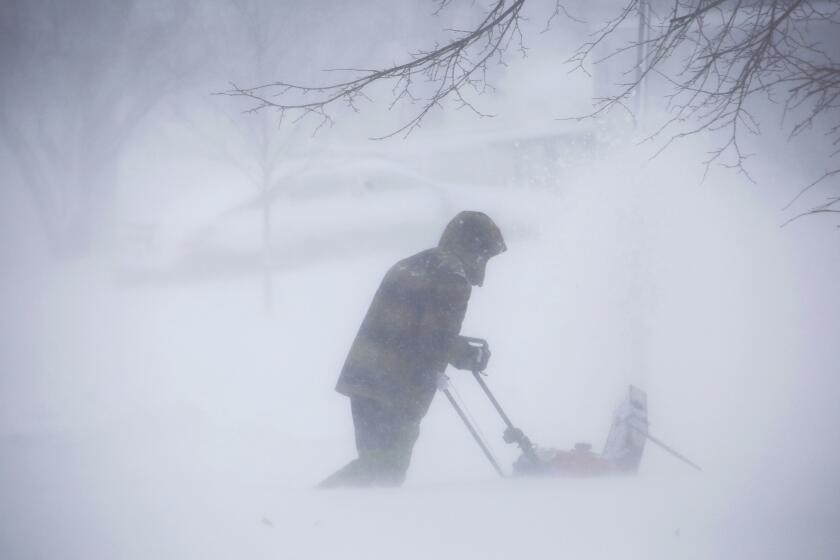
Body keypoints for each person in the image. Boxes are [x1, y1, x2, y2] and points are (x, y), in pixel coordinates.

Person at [319, 211, 507, 488]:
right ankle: (315, 507)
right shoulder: (452, 276)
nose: (484, 263)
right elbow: (434, 339)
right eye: (485, 254)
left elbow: (414, 327)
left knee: (374, 465)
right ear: (475, 248)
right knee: (385, 471)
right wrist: (468, 355)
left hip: (364, 377)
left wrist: (454, 348)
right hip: (398, 386)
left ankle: (330, 512)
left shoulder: (412, 264)